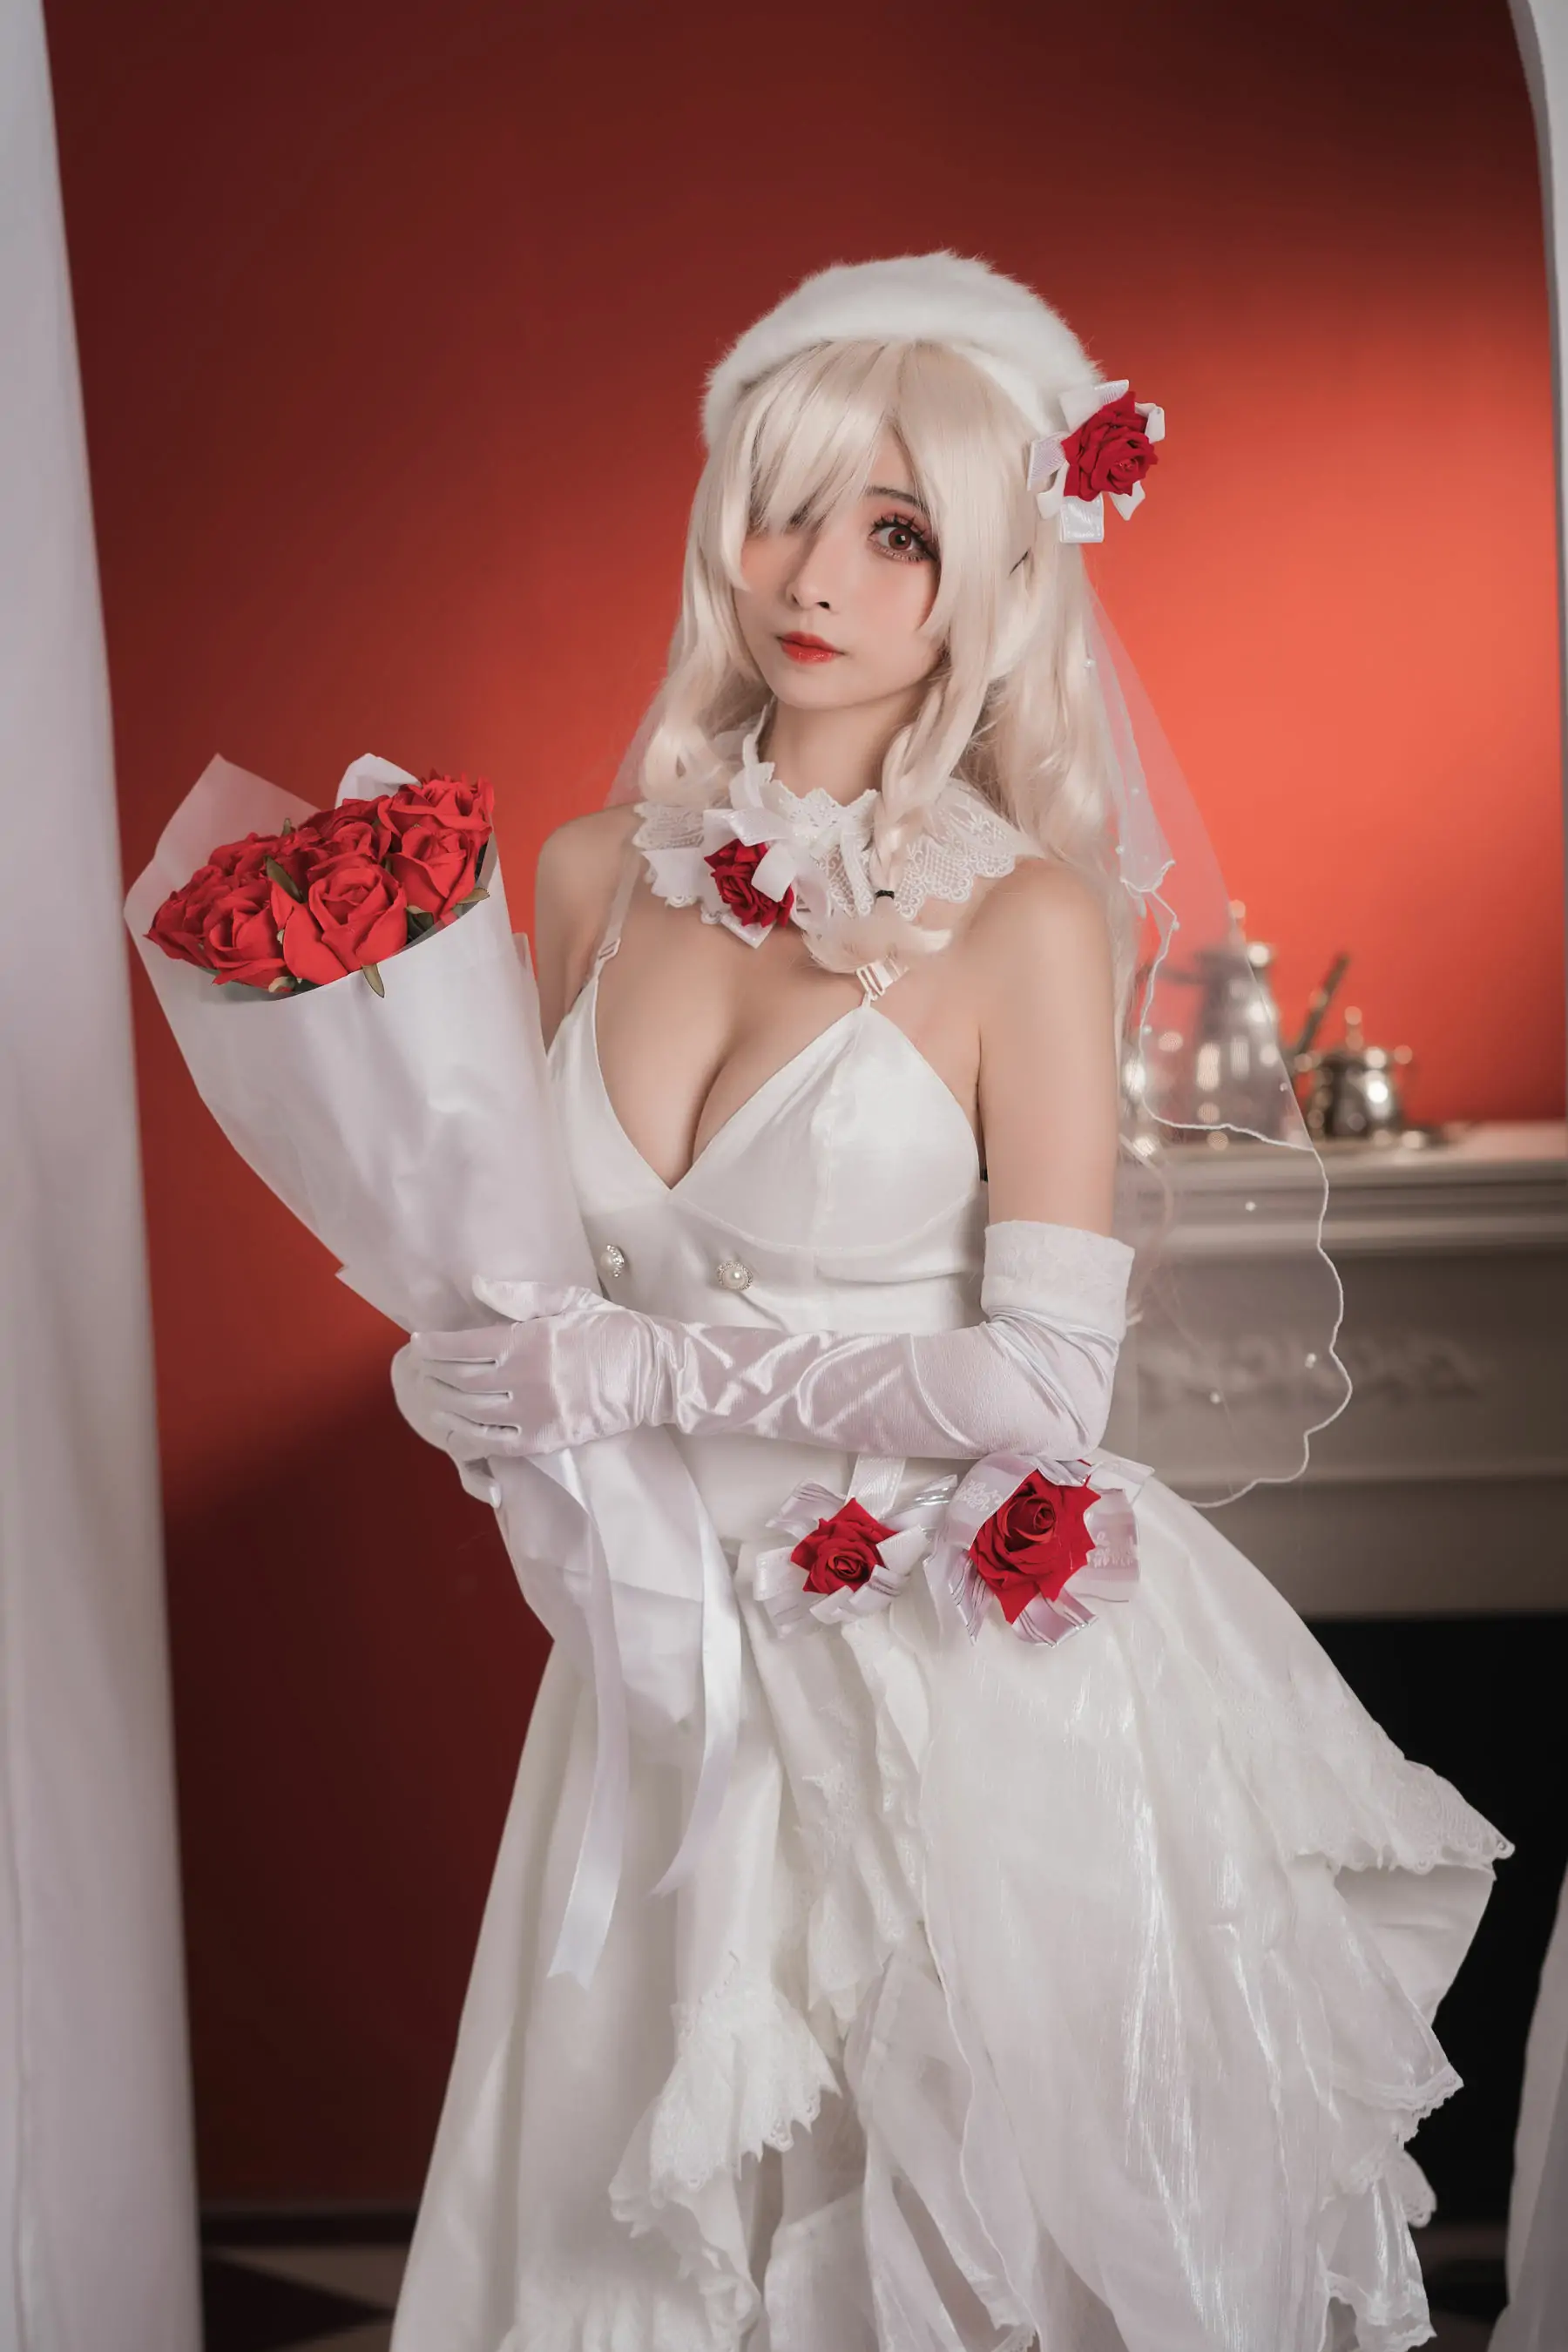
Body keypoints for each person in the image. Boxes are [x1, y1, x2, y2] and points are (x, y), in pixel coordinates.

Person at [387, 254, 1508, 2352]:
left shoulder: (1030, 922)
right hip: (656, 1671)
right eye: (783, 508)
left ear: (996, 572)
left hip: (947, 1680)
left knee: (944, 2251)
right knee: (639, 2249)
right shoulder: (584, 877)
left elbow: (1048, 1385)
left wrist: (639, 1362)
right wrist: (472, 1370)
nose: (817, 574)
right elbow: (548, 1285)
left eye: (898, 531)